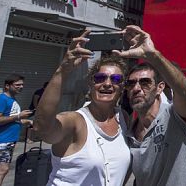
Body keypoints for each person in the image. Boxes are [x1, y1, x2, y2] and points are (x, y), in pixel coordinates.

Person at [33, 37, 130, 186]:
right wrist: (62, 70)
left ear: (122, 87)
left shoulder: (123, 118)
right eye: (100, 78)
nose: (107, 83)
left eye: (116, 79)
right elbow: (42, 128)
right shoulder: (75, 120)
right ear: (91, 82)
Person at [120, 25, 186, 185]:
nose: (136, 88)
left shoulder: (174, 116)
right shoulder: (129, 133)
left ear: (160, 87)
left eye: (145, 82)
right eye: (131, 84)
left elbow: (185, 92)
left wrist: (153, 55)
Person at [0, 74, 33, 186]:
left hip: (7, 140)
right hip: (1, 140)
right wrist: (18, 116)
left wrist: (28, 121)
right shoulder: (1, 100)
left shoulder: (12, 100)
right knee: (2, 170)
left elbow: (10, 120)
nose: (21, 87)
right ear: (7, 86)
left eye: (22, 85)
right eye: (17, 85)